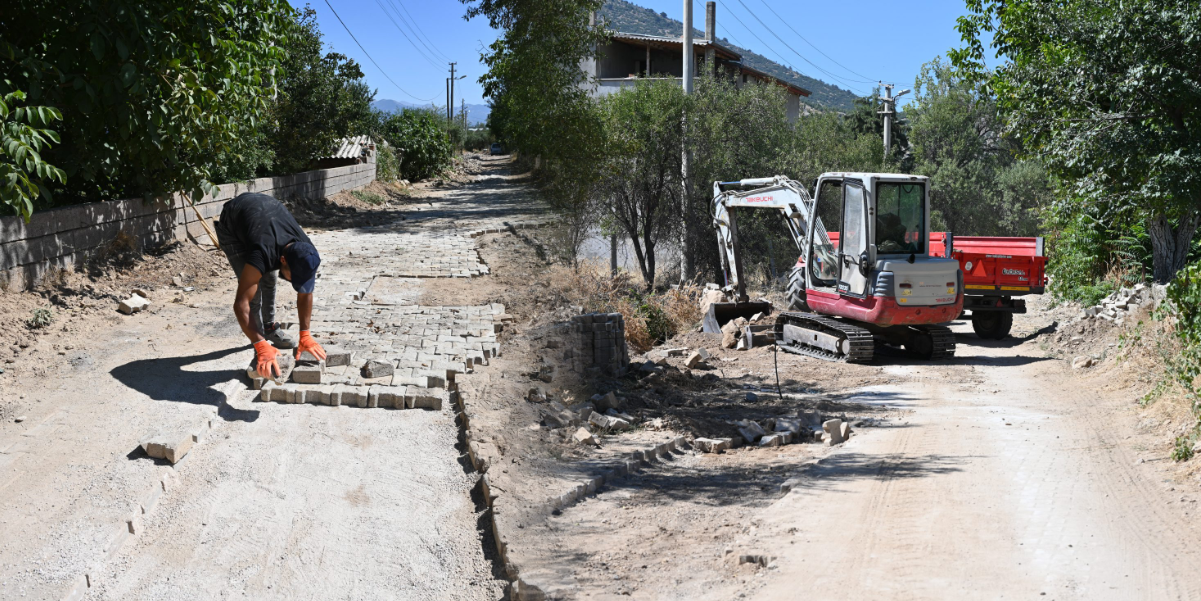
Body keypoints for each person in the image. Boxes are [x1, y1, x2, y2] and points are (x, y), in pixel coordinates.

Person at [215, 192, 327, 379]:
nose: (295, 282)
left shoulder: (307, 252)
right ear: (282, 259)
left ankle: (269, 328)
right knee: (255, 291)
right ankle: (260, 350)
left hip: (266, 216)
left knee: (270, 278)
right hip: (234, 223)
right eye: (294, 277)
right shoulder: (263, 252)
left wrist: (305, 334)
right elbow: (241, 303)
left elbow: (305, 293)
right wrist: (260, 345)